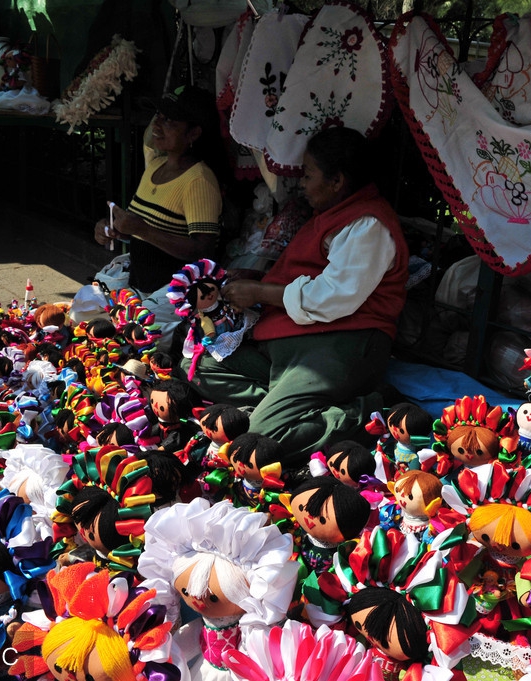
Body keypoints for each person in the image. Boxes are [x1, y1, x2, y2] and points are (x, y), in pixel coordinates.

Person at [185, 126, 409, 458]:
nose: (301, 183)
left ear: (337, 181)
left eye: (308, 174)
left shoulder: (369, 226)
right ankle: (285, 402)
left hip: (341, 345)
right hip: (291, 341)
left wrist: (260, 290)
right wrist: (253, 280)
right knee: (201, 365)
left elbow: (332, 297)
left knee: (262, 437)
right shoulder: (331, 215)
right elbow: (304, 274)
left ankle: (371, 409)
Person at [92, 84, 229, 346]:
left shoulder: (199, 180)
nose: (157, 125)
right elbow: (142, 228)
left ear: (194, 133)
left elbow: (203, 251)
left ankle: (186, 332)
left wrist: (142, 230)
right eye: (159, 117)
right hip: (139, 277)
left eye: (170, 121)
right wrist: (112, 228)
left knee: (133, 333)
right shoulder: (155, 165)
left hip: (175, 287)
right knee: (85, 311)